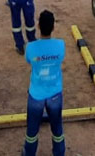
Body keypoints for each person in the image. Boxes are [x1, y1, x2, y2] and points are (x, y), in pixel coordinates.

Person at [23, 10, 65, 156]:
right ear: (53, 27)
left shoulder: (31, 48)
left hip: (36, 95)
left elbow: (29, 61)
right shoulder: (61, 46)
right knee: (57, 130)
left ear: (38, 26)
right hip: (55, 94)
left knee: (32, 132)